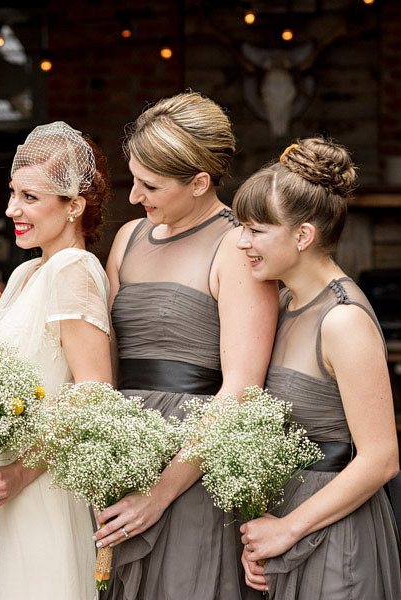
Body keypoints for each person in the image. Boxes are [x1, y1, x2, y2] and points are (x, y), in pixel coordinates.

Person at [95, 92, 279, 600]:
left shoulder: (237, 248)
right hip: (120, 458)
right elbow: (103, 371)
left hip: (193, 465)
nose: (133, 196)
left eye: (150, 185)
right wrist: (98, 460)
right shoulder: (128, 238)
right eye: (133, 178)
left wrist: (158, 493)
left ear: (199, 182)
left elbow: (241, 389)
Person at [234, 138, 401, 599]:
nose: (242, 242)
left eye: (256, 230)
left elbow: (381, 458)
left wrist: (288, 530)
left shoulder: (343, 320)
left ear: (303, 236)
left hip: (336, 539)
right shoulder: (285, 301)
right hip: (284, 528)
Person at [0, 122, 113, 599]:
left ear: (74, 206)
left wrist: (21, 472)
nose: (11, 209)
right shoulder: (28, 272)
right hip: (7, 483)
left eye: (29, 197)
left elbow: (92, 393)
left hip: (45, 482)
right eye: (12, 193)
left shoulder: (74, 271)